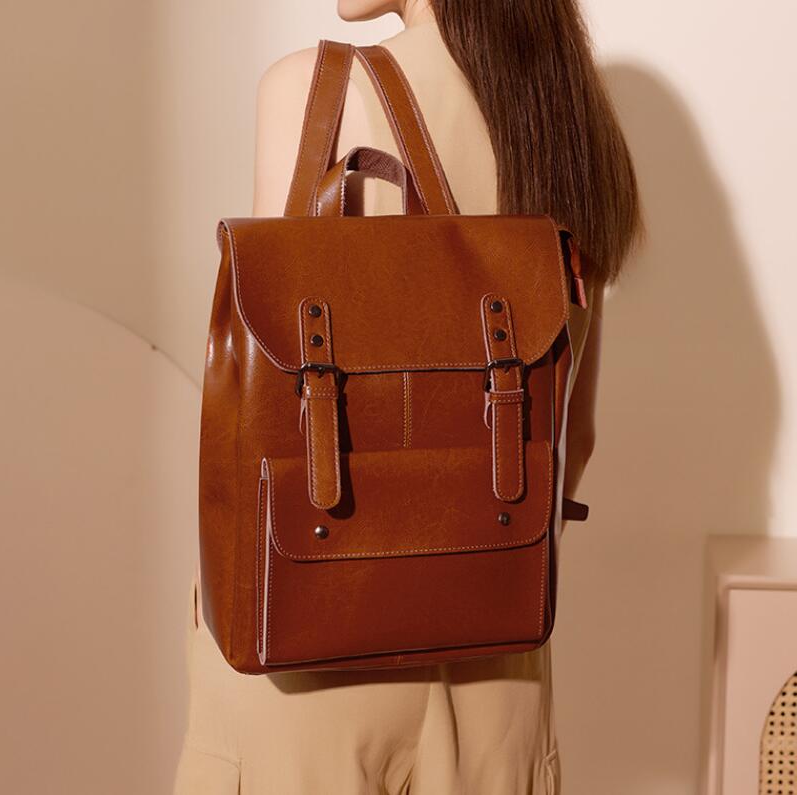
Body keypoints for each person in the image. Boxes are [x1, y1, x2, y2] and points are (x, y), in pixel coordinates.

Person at [174, 1, 641, 793]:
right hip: (499, 665)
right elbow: (575, 437)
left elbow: (269, 411)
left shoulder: (315, 92)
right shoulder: (565, 119)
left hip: (308, 650)